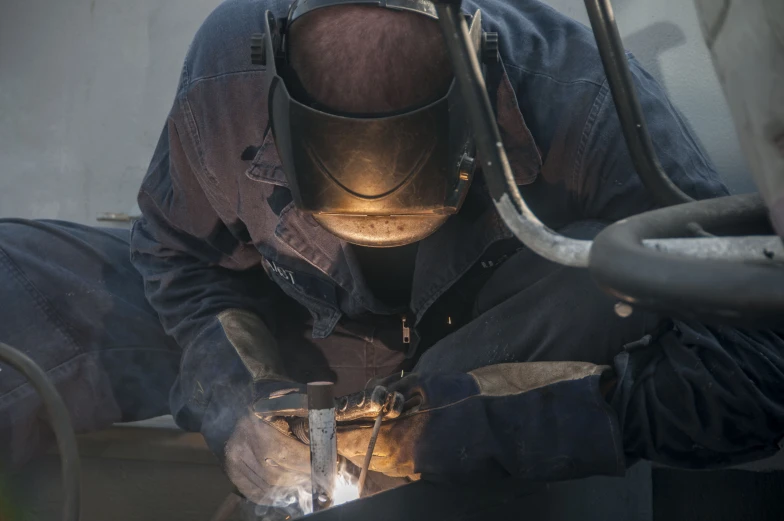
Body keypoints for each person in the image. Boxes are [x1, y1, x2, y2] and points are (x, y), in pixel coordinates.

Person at [2, 0, 783, 507]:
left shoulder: (585, 98)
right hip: (307, 338)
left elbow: (756, 371)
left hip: (492, 359)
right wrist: (239, 401)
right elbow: (173, 259)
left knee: (603, 280)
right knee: (19, 269)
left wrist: (456, 429)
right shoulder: (225, 76)